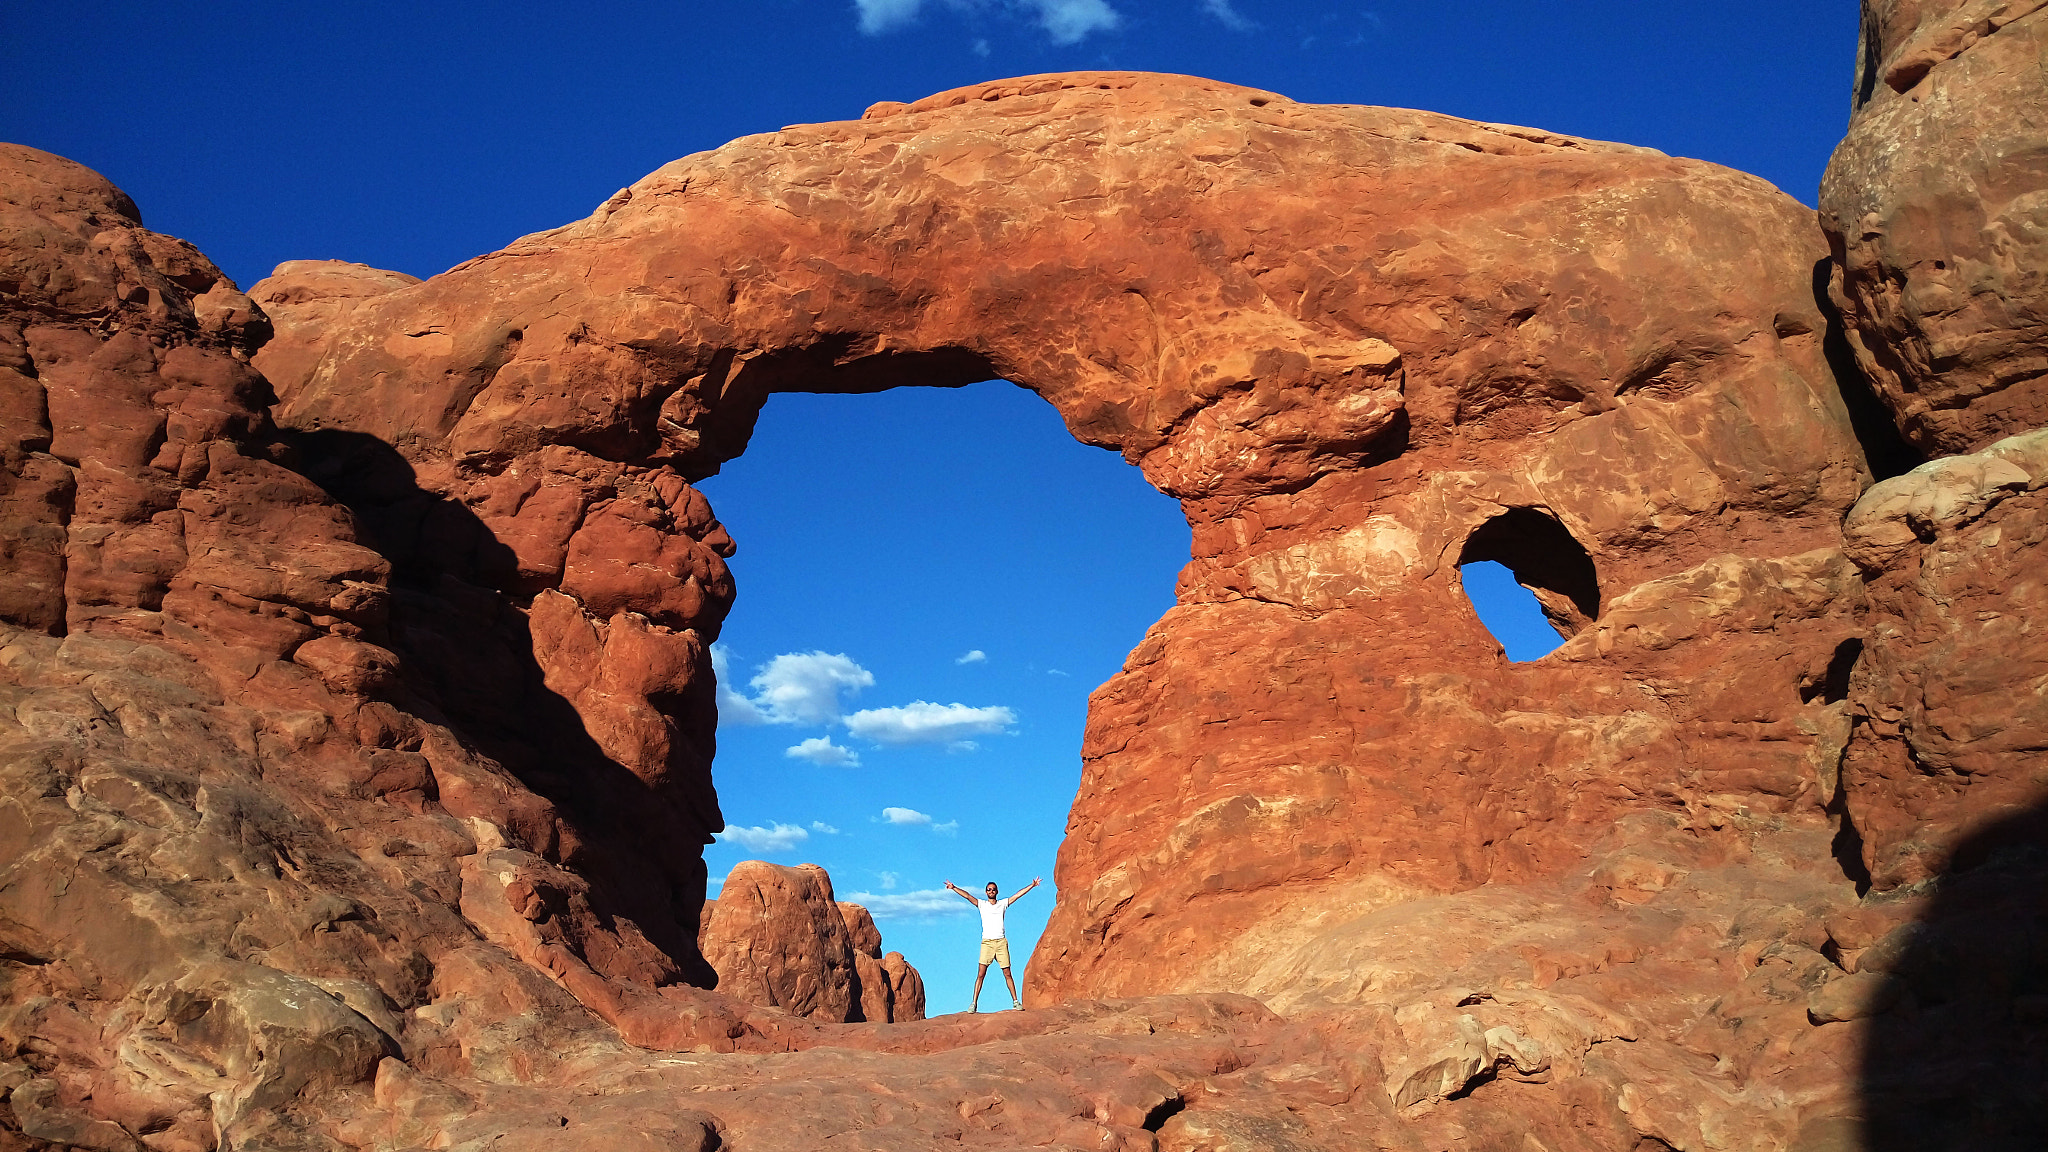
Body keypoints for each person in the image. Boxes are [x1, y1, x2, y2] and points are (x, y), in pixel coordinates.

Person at [944, 876, 1040, 1011]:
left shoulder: (1003, 904)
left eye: (993, 889)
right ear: (986, 892)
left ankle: (1015, 1001)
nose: (991, 891)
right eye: (989, 889)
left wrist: (1032, 885)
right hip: (987, 943)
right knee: (981, 974)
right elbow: (967, 896)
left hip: (1001, 942)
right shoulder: (982, 904)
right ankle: (973, 1003)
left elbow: (1017, 895)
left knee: (1007, 973)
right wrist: (953, 888)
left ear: (997, 891)